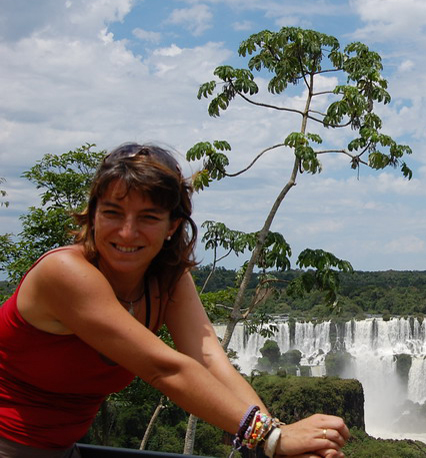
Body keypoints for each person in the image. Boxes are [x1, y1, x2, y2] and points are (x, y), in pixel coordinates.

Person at [0, 143, 350, 458]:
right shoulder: (64, 273)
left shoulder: (167, 279)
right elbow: (165, 368)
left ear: (172, 225)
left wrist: (273, 441)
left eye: (148, 217)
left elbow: (209, 358)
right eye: (112, 213)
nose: (127, 232)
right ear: (93, 215)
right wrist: (271, 437)